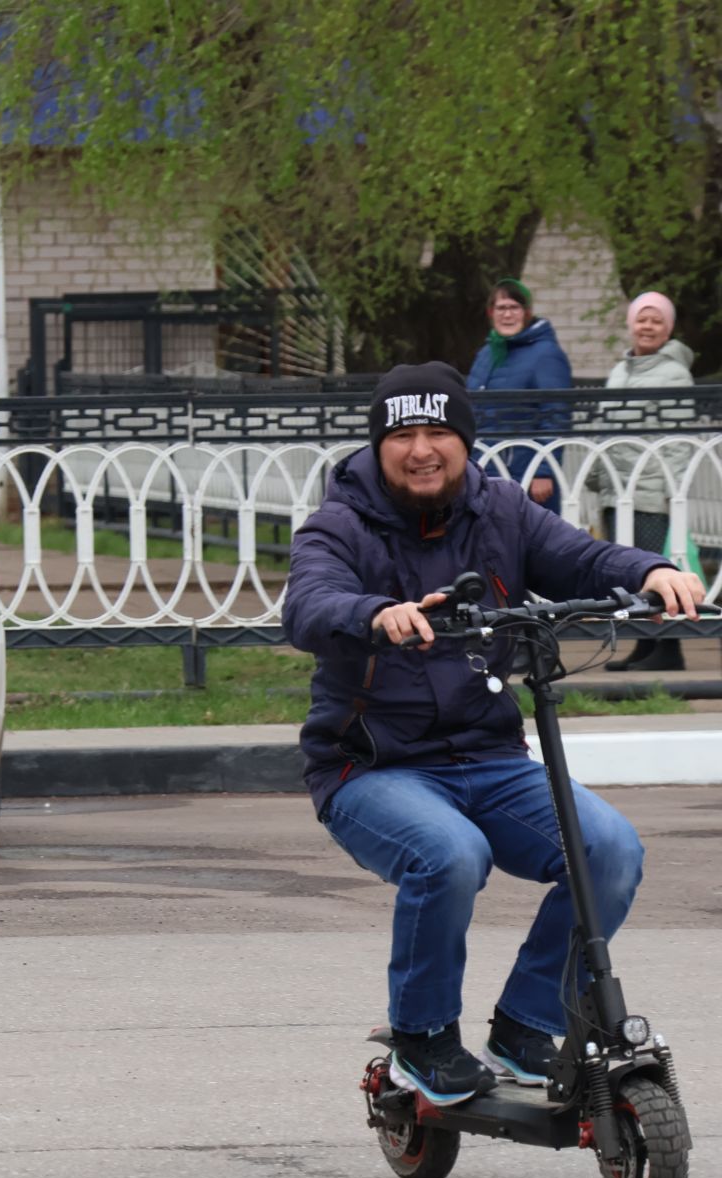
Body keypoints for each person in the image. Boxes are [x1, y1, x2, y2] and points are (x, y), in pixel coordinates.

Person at [283, 361, 700, 1107]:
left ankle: (526, 1024)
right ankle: (423, 1039)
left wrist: (653, 569)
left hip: (488, 757)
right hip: (372, 770)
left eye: (438, 431)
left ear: (464, 441)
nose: (421, 449)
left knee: (608, 851)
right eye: (403, 434)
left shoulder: (500, 510)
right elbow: (310, 601)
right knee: (449, 854)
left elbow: (584, 558)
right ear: (378, 445)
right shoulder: (338, 524)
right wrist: (375, 612)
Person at [591, 290, 699, 673]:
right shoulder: (622, 369)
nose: (647, 326)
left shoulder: (673, 373)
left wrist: (672, 490)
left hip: (650, 490)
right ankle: (644, 644)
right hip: (616, 489)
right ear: (631, 324)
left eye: (657, 320)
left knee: (656, 570)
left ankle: (668, 649)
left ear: (667, 329)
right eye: (642, 319)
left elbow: (676, 441)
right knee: (631, 571)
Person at [466, 278, 573, 513]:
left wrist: (544, 470)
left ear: (527, 313)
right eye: (501, 308)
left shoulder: (546, 354)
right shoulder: (487, 354)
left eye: (514, 307)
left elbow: (555, 414)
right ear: (491, 313)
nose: (507, 314)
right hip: (486, 471)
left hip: (526, 474)